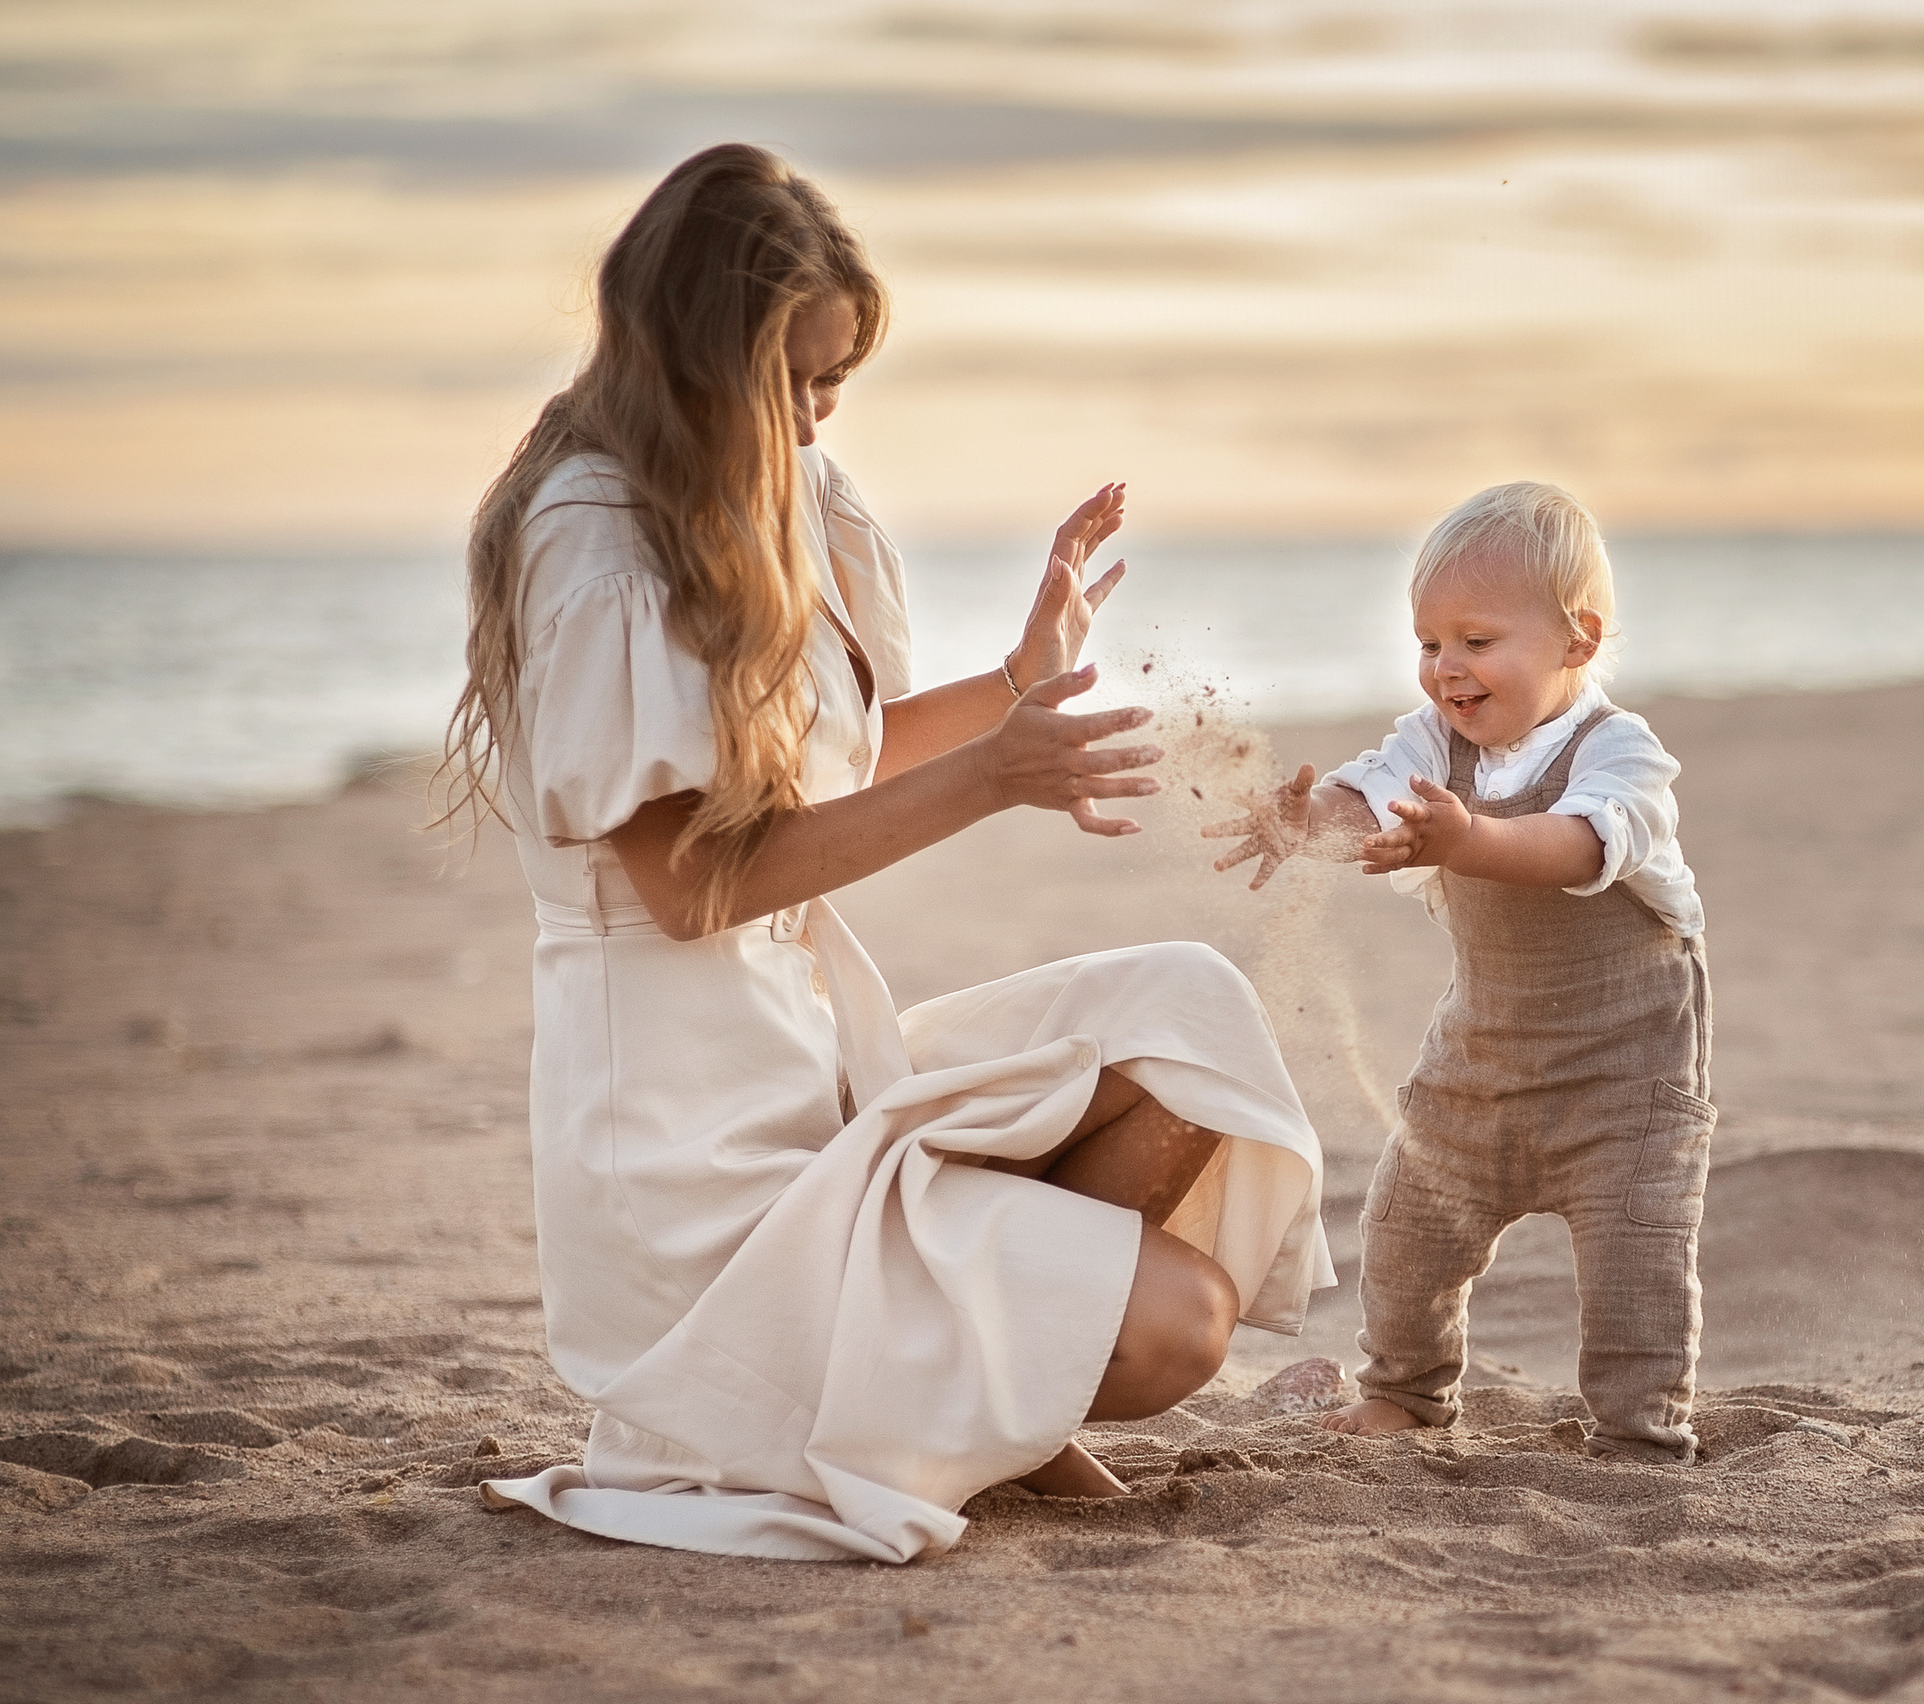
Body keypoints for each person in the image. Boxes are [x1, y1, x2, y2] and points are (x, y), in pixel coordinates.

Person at [438, 143, 1332, 1562]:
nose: (814, 416)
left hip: (810, 1050)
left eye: (835, 379)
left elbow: (825, 766)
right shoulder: (599, 546)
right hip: (685, 1142)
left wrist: (1019, 685)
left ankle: (969, 1402)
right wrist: (992, 777)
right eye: (791, 380)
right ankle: (963, 1415)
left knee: (1185, 1022)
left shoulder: (781, 492)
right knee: (1179, 1325)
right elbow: (688, 886)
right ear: (694, 354)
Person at [1204, 481, 1711, 1463]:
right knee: (1406, 1228)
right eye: (1429, 643)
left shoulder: (1621, 755)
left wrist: (1466, 837)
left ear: (1578, 640)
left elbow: (1576, 850)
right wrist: (1309, 823)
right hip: (1478, 1058)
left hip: (1627, 1079)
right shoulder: (1435, 743)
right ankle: (1405, 1390)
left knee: (1635, 1261)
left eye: (1477, 641)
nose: (1446, 669)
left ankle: (1639, 1431)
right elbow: (1372, 793)